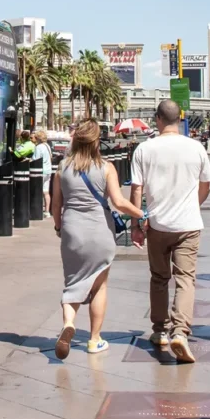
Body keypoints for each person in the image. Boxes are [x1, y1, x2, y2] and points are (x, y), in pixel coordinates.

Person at [50, 119, 144, 360]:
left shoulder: (62, 167)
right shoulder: (106, 167)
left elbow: (55, 205)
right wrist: (142, 214)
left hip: (72, 230)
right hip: (99, 231)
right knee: (99, 285)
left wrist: (59, 227)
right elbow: (119, 202)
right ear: (96, 142)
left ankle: (69, 322)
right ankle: (94, 340)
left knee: (73, 282)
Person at [130, 100, 210, 363]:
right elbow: (206, 185)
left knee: (159, 278)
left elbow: (136, 190)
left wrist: (136, 224)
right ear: (180, 118)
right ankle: (180, 330)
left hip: (157, 224)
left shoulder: (144, 149)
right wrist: (192, 206)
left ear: (157, 119)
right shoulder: (196, 147)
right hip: (188, 225)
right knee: (185, 279)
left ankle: (159, 331)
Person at [33, 130, 54, 218]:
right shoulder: (47, 146)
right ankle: (47, 211)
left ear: (38, 138)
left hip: (41, 171)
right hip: (48, 171)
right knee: (46, 192)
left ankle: (37, 210)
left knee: (37, 191)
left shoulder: (39, 147)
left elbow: (35, 159)